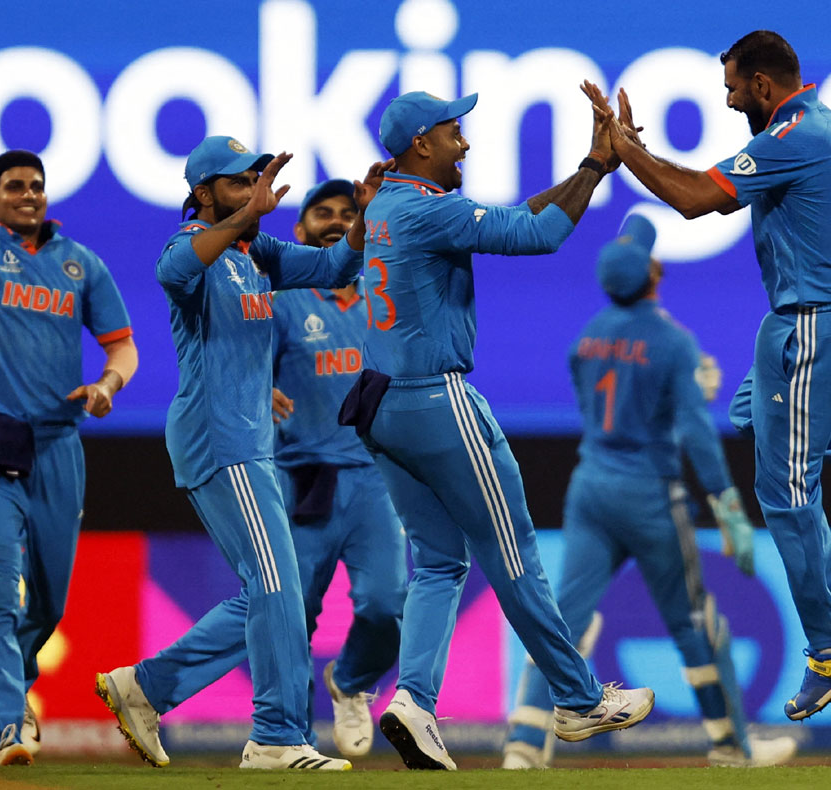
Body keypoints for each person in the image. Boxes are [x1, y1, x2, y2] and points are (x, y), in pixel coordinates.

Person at [585, 30, 831, 721]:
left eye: (735, 89)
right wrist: (640, 151)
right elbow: (707, 187)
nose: (731, 99)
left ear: (764, 86)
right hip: (827, 312)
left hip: (812, 322)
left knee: (785, 490)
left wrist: (624, 151)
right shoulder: (820, 122)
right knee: (752, 414)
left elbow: (689, 199)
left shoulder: (787, 138)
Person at [337, 90, 655, 771]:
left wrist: (588, 164)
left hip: (381, 403)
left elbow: (508, 218)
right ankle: (576, 698)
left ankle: (414, 702)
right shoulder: (429, 208)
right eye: (456, 132)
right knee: (513, 553)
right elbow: (536, 234)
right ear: (422, 144)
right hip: (435, 399)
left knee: (441, 561)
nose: (468, 143)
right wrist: (598, 170)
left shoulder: (391, 205)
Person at [94, 137, 391, 771]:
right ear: (204, 195)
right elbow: (171, 274)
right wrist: (239, 216)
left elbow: (337, 268)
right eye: (238, 183)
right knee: (278, 584)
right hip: (218, 436)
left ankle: (145, 688)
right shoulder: (190, 246)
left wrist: (363, 216)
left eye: (256, 179)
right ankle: (277, 738)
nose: (255, 190)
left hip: (249, 442)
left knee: (270, 588)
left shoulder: (261, 254)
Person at [501, 215, 797, 769]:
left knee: (563, 621)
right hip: (649, 495)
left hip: (589, 488)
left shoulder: (586, 339)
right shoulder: (671, 340)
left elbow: (603, 401)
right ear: (653, 276)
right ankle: (732, 746)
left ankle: (523, 746)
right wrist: (727, 504)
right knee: (693, 621)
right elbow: (693, 433)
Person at [0, 28, 138, 766]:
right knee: (2, 592)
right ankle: (10, 722)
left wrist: (109, 385)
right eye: (13, 187)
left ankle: (16, 681)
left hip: (60, 445)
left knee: (47, 603)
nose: (27, 194)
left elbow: (123, 348)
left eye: (35, 184)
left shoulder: (83, 264)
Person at [270, 179, 408, 757]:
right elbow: (236, 366)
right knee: (291, 614)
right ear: (298, 232)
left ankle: (351, 683)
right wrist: (258, 390)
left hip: (377, 477)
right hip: (304, 476)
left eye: (346, 213)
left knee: (386, 604)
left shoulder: (387, 293)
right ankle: (291, 736)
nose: (333, 221)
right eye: (320, 214)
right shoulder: (281, 300)